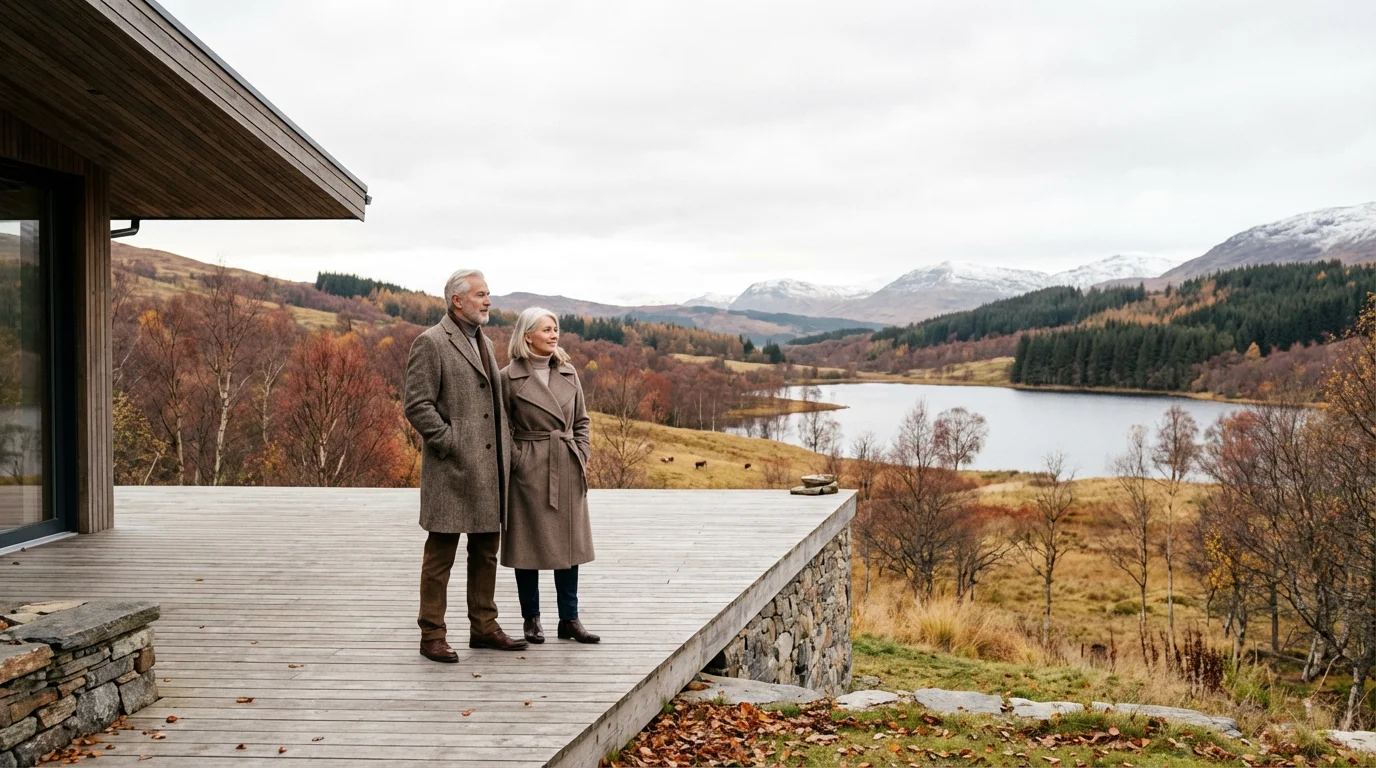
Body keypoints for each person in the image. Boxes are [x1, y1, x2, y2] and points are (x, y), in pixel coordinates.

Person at [404, 268, 528, 663]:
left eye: (488, 294)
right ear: (457, 300)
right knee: (441, 555)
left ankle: (484, 627)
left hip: (488, 470)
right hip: (451, 469)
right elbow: (417, 405)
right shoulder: (431, 343)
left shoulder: (485, 343)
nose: (488, 301)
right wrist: (450, 442)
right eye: (481, 295)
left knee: (486, 551)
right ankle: (432, 634)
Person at [500, 308, 600, 644]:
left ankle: (569, 619)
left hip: (566, 465)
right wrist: (519, 460)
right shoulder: (508, 378)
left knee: (568, 547)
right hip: (528, 469)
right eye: (546, 329)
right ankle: (532, 619)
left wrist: (580, 454)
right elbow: (501, 428)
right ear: (527, 335)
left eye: (556, 328)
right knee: (527, 547)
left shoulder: (569, 373)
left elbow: (582, 421)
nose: (554, 334)